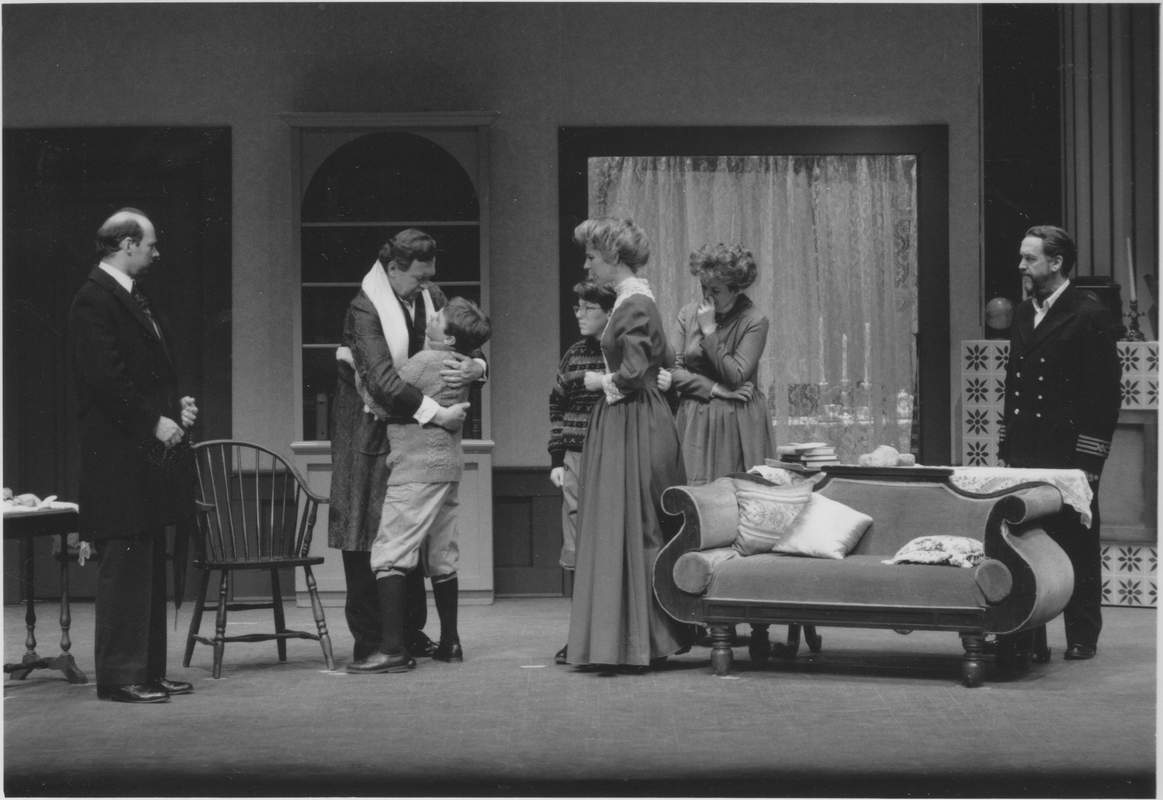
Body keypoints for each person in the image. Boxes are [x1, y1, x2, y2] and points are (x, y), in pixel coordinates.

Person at [329, 229, 485, 669]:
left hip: (416, 433)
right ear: (393, 269)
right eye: (418, 278)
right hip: (367, 432)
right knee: (367, 532)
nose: (426, 287)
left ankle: (407, 635)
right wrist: (439, 412)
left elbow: (464, 340)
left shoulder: (430, 295)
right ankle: (373, 640)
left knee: (414, 530)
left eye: (429, 277)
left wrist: (476, 366)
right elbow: (380, 383)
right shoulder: (365, 307)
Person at [69, 208, 199, 703]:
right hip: (117, 459)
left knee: (145, 565)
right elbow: (106, 381)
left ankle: (147, 671)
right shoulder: (94, 300)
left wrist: (173, 408)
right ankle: (120, 677)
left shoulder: (131, 296)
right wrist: (153, 421)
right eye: (150, 244)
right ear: (127, 245)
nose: (156, 252)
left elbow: (143, 373)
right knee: (125, 566)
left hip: (142, 458)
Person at [565, 217, 694, 671]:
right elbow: (664, 360)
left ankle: (635, 641)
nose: (587, 266)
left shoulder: (635, 303)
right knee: (629, 523)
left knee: (631, 523)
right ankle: (630, 640)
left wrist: (598, 380)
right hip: (630, 419)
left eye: (592, 258)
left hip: (631, 420)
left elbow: (636, 372)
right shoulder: (633, 299)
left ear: (614, 258)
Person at [998, 225, 1122, 661]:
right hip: (1025, 451)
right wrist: (1007, 450)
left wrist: (1088, 463)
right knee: (1024, 543)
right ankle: (1030, 636)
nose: (1021, 266)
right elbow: (1013, 386)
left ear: (1056, 262)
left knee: (1076, 543)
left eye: (1029, 258)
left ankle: (1082, 634)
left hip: (1069, 454)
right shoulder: (1022, 312)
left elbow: (1105, 395)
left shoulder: (1088, 314)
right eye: (1021, 257)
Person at [547, 281, 617, 665]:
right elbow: (556, 405)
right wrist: (557, 460)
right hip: (574, 456)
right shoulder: (574, 355)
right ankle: (579, 635)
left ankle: (607, 635)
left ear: (609, 312)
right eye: (578, 307)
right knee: (575, 545)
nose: (580, 314)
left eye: (589, 308)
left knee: (607, 542)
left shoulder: (619, 355)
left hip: (610, 458)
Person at [669, 243, 776, 484]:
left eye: (715, 290)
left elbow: (735, 376)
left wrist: (709, 331)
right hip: (694, 415)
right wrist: (715, 388)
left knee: (734, 491)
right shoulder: (688, 314)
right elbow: (671, 370)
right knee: (692, 490)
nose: (707, 296)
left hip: (735, 418)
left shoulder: (754, 321)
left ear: (735, 289)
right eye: (703, 287)